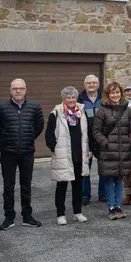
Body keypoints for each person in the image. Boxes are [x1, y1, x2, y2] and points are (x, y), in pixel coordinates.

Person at [0, 78, 45, 230]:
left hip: (27, 152)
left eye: (21, 88)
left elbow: (39, 125)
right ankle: (9, 217)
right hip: (8, 153)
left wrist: (28, 138)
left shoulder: (34, 106)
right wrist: (5, 141)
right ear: (10, 90)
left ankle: (27, 216)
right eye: (15, 88)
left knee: (26, 185)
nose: (18, 91)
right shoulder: (1, 108)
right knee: (8, 186)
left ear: (25, 90)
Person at [45, 86, 90, 225]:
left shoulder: (82, 113)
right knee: (62, 186)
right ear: (63, 99)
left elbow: (86, 133)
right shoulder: (56, 114)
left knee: (78, 186)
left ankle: (77, 212)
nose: (71, 100)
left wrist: (88, 149)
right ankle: (60, 214)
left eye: (73, 97)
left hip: (79, 155)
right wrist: (55, 149)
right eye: (68, 97)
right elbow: (49, 136)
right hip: (63, 155)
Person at [93, 81, 131, 220]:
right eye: (112, 92)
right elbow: (96, 131)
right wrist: (105, 143)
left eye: (117, 92)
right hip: (108, 151)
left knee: (119, 179)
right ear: (108, 94)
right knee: (109, 179)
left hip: (124, 150)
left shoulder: (127, 111)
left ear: (121, 94)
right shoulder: (101, 111)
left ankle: (118, 206)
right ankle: (111, 207)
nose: (115, 95)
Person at [78, 74, 103, 205]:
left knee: (104, 167)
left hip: (101, 137)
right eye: (89, 83)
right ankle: (85, 196)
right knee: (85, 168)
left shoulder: (104, 98)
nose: (92, 85)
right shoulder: (79, 99)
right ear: (84, 85)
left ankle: (103, 194)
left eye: (94, 83)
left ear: (98, 84)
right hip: (86, 138)